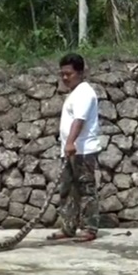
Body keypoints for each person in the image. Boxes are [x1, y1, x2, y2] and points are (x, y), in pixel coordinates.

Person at [47, 53, 102, 242]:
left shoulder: (85, 93)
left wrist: (70, 143)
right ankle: (68, 227)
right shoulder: (75, 93)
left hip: (82, 150)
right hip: (70, 150)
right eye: (62, 74)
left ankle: (89, 228)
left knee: (86, 189)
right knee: (68, 190)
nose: (64, 78)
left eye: (68, 74)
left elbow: (79, 120)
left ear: (80, 73)